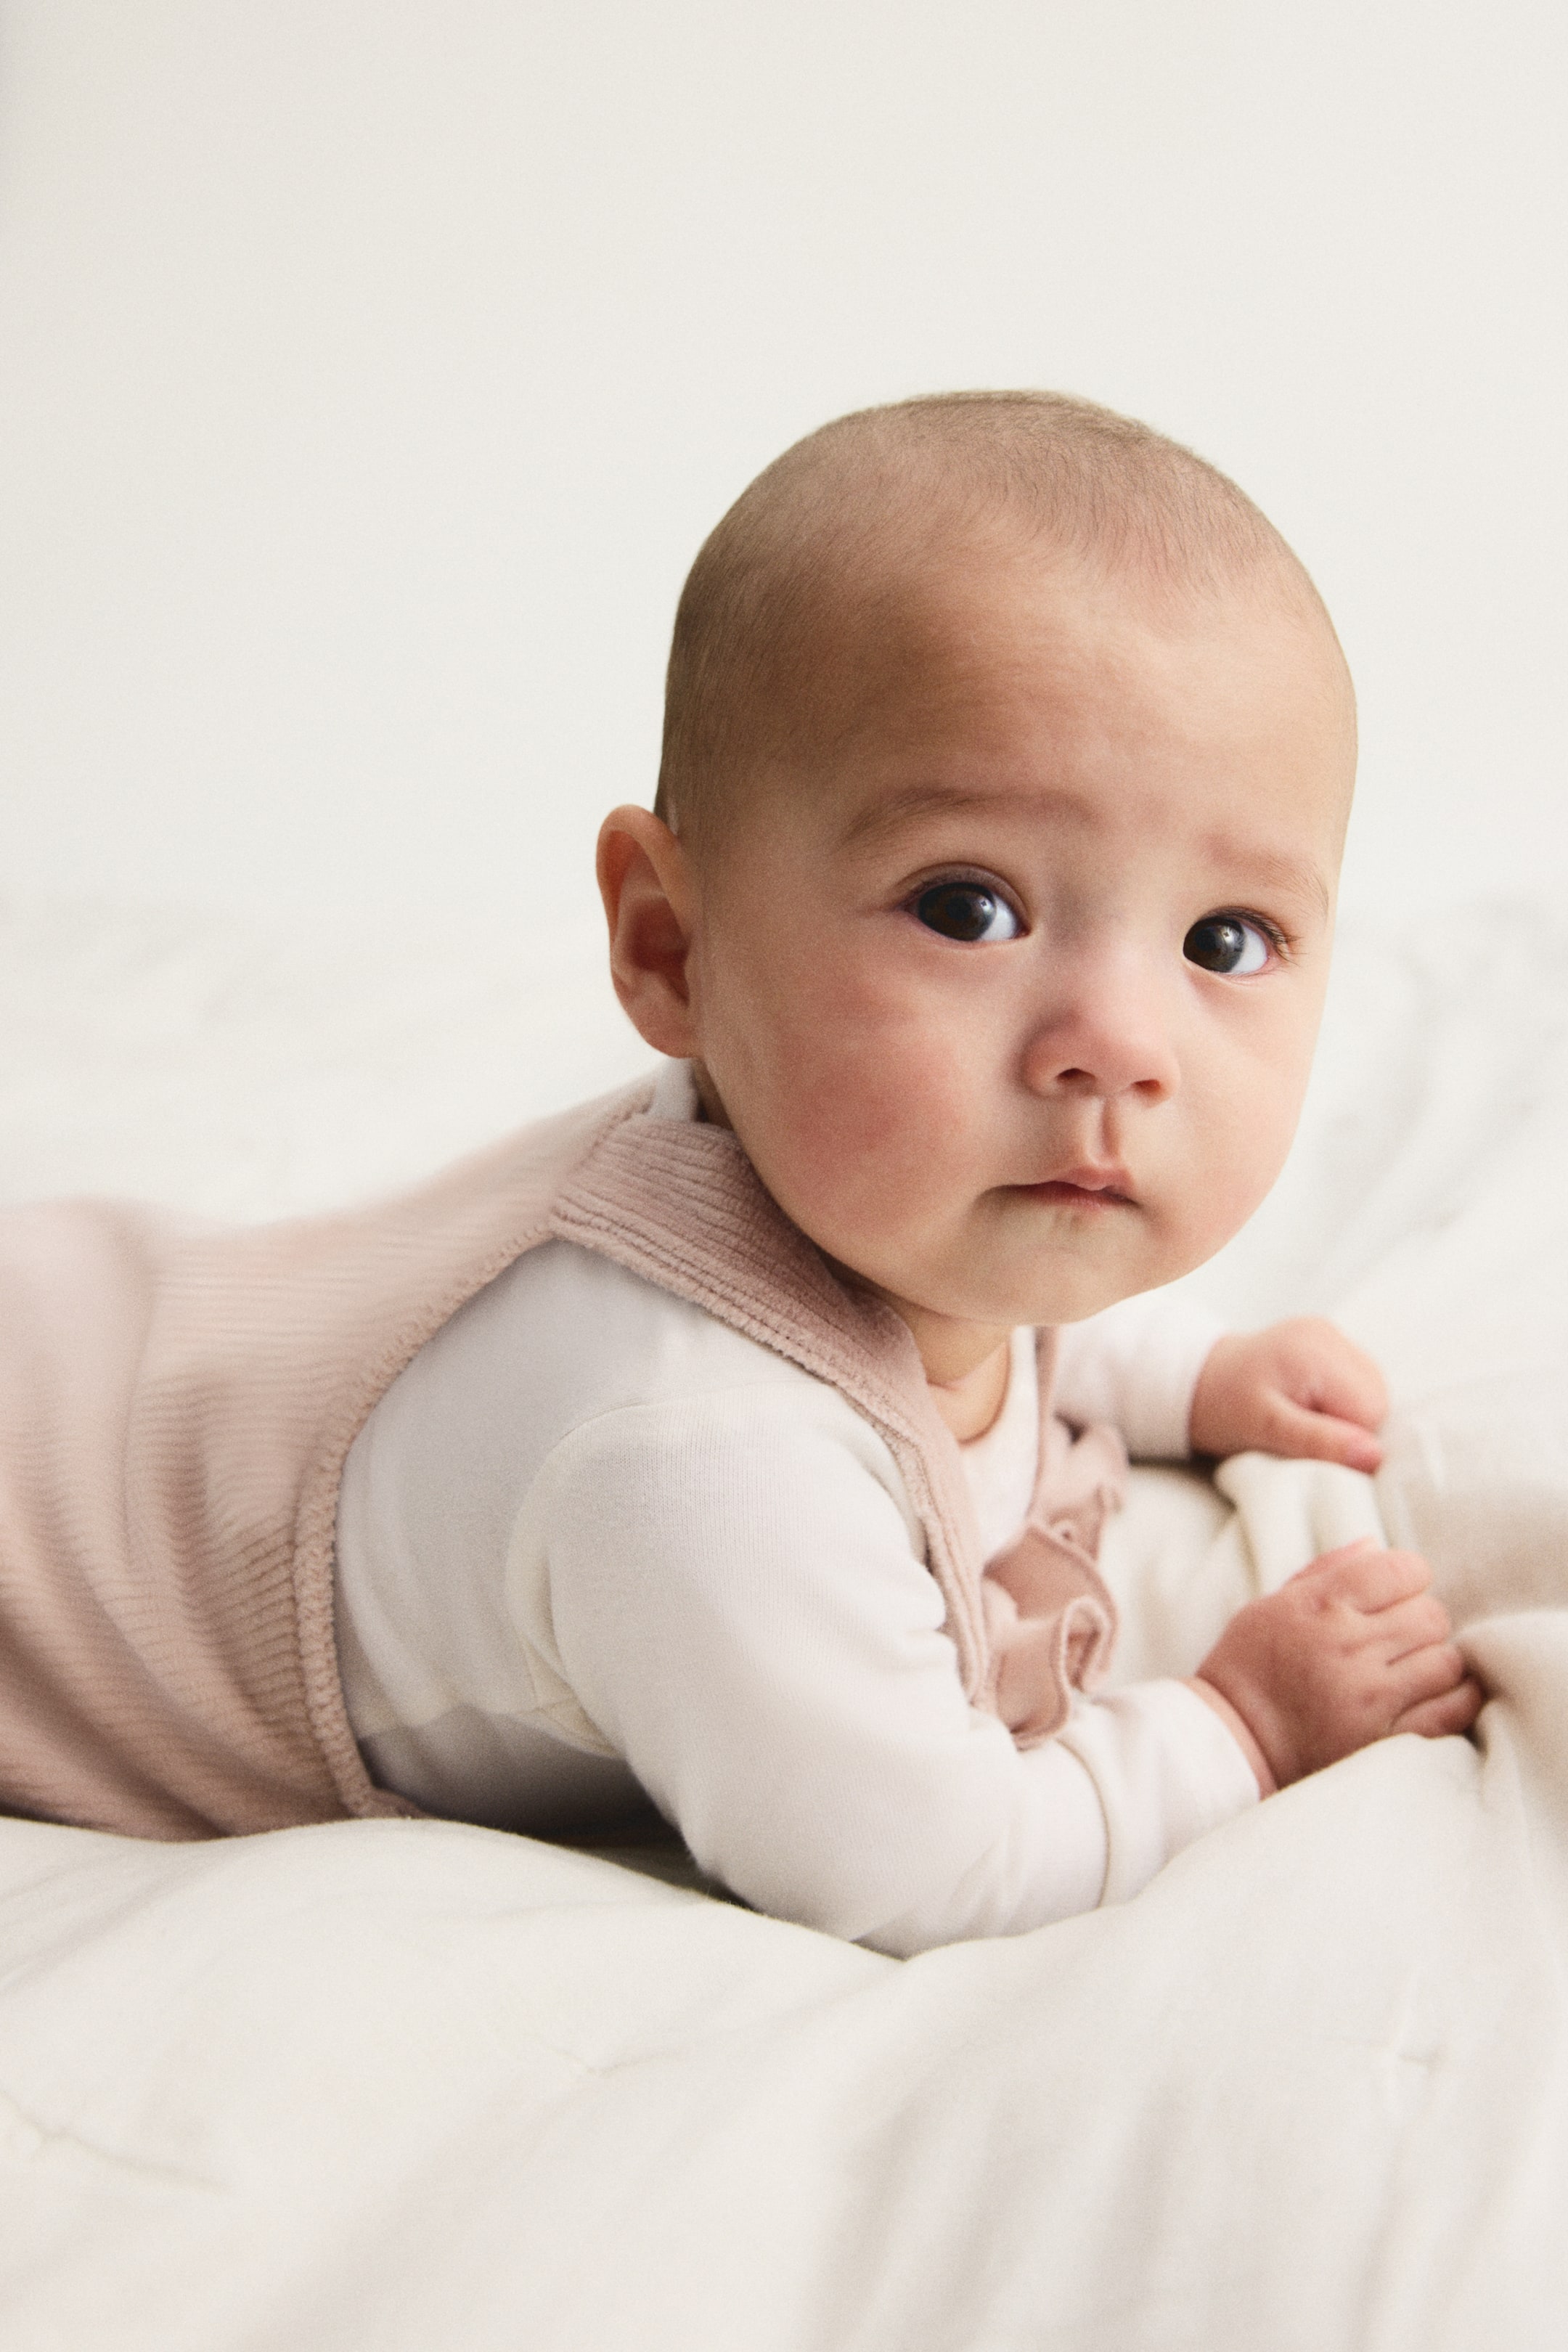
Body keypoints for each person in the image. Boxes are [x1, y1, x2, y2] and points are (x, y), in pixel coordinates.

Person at [0, 391, 1482, 1953]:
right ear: (672, 947)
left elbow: (982, 1299)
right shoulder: (695, 1447)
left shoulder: (897, 1189)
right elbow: (931, 1867)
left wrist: (1191, 1375)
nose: (1115, 1045)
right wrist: (1238, 1726)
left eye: (1223, 942)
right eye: (970, 909)